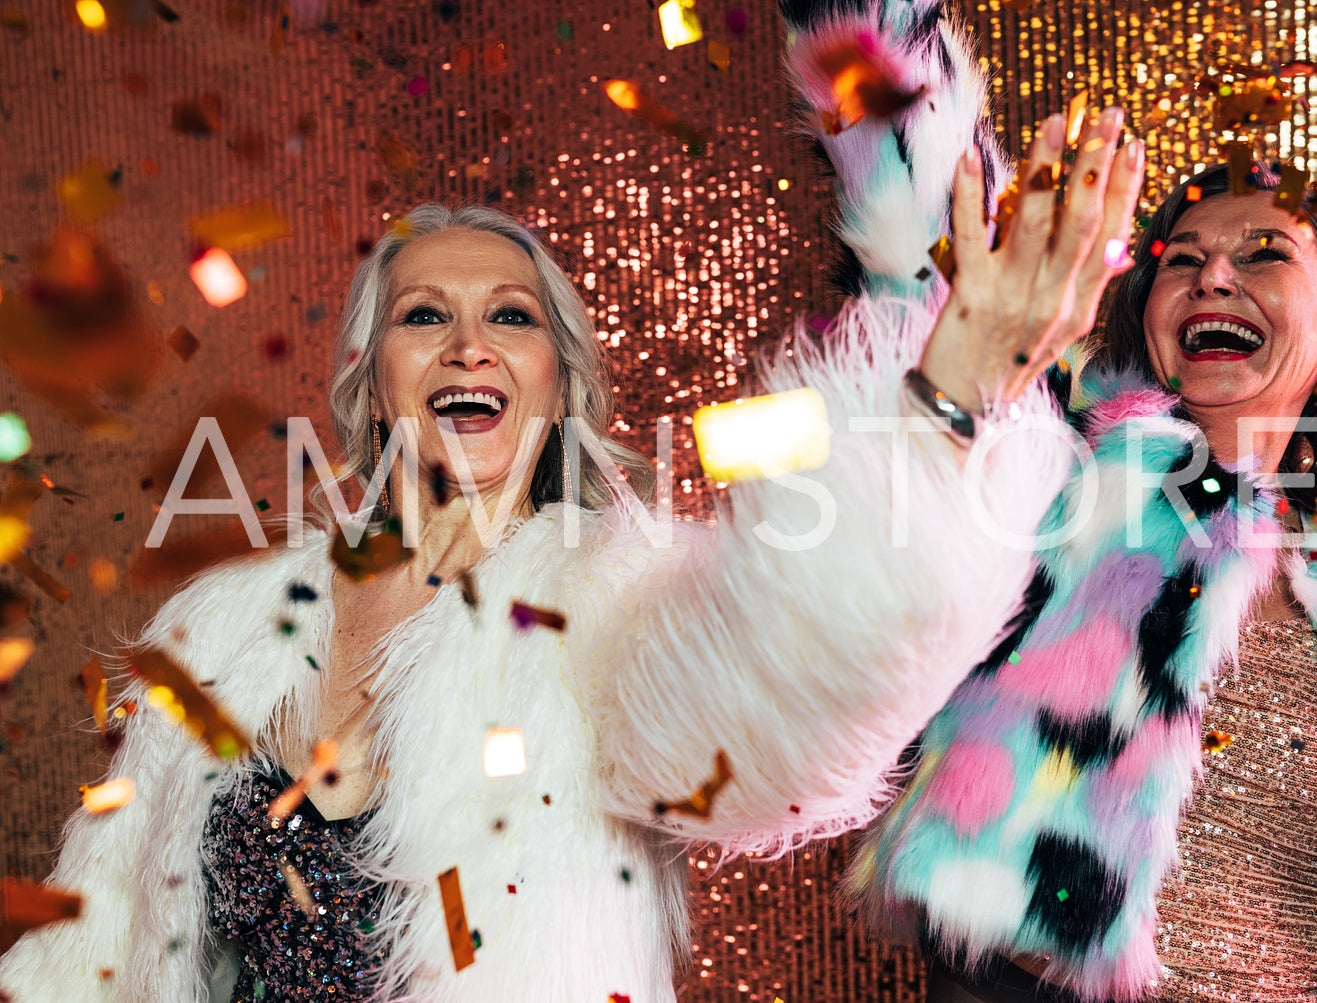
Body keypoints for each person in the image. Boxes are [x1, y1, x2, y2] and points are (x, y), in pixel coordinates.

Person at [0, 14, 1143, 1003]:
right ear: (369, 378)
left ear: (558, 384)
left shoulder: (593, 604)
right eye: (421, 317)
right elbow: (89, 953)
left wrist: (949, 393)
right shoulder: (215, 632)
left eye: (509, 318)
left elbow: (782, 678)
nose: (464, 345)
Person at [785, 3, 1317, 1001]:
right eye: (1180, 257)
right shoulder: (1061, 463)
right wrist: (869, 27)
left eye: (1260, 253)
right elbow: (943, 251)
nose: (1211, 272)